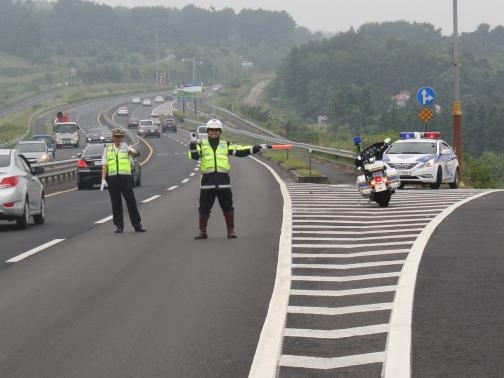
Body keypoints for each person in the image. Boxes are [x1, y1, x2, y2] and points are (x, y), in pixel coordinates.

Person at [188, 118, 270, 239]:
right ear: (208, 131)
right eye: (211, 130)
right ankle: (202, 231)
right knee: (204, 208)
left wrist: (257, 148)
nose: (214, 132)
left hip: (223, 182)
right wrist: (193, 144)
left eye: (216, 130)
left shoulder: (225, 144)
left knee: (228, 206)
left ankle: (231, 230)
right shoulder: (201, 145)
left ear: (220, 131)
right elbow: (194, 156)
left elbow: (241, 151)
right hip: (207, 182)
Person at [100, 128, 146, 233]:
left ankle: (137, 225)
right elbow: (105, 165)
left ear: (123, 138)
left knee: (131, 202)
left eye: (120, 137)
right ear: (113, 137)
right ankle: (119, 226)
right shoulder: (108, 149)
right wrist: (103, 179)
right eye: (116, 137)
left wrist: (130, 150)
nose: (118, 139)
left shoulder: (126, 147)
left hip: (125, 178)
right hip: (112, 178)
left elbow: (136, 153)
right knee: (116, 203)